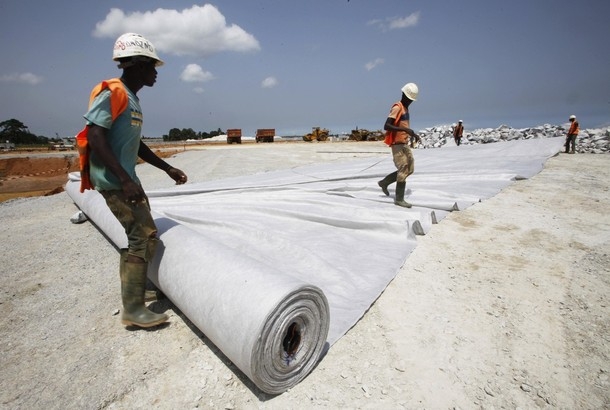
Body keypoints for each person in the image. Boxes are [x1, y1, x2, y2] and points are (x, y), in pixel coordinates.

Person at [84, 33, 188, 328]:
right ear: (138, 65)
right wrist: (123, 180)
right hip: (115, 181)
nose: (156, 73)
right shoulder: (113, 93)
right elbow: (95, 135)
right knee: (140, 235)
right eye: (152, 66)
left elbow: (137, 144)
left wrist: (167, 168)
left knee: (144, 232)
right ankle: (133, 308)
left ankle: (138, 288)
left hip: (126, 178)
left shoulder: (132, 99)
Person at [378, 82, 421, 208]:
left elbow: (403, 126)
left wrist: (411, 133)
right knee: (403, 168)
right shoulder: (397, 107)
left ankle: (384, 182)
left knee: (410, 169)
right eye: (409, 99)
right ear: (404, 95)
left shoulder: (405, 108)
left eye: (411, 100)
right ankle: (399, 199)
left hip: (404, 142)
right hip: (397, 144)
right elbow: (387, 125)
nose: (410, 102)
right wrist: (405, 131)